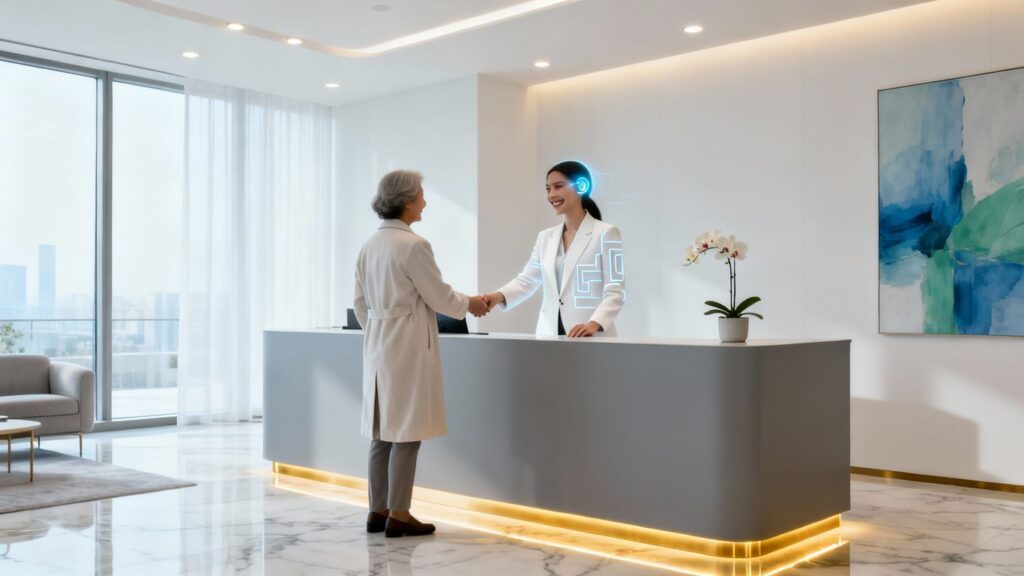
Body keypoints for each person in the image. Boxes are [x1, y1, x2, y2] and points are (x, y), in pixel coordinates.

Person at [354, 170, 488, 538]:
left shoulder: (369, 245)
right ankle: (400, 513)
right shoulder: (414, 245)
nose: (425, 200)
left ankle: (376, 511)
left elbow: (360, 304)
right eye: (422, 194)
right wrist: (472, 303)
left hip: (378, 345)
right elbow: (440, 296)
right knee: (407, 434)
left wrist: (380, 329)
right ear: (408, 200)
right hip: (407, 347)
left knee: (381, 433)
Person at [483, 161, 625, 336]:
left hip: (590, 336)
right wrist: (494, 298)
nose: (551, 195)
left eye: (558, 186)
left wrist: (594, 324)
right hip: (549, 335)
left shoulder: (607, 233)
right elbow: (527, 281)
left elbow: (615, 291)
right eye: (548, 189)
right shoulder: (545, 237)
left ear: (581, 186)